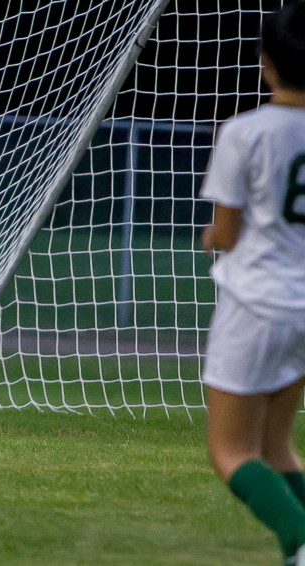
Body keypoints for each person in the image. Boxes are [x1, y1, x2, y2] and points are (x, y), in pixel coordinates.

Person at [200, 2, 305, 564]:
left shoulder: (246, 132)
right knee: (276, 448)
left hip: (258, 302)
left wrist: (209, 237)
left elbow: (228, 233)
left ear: (266, 62)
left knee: (231, 451)